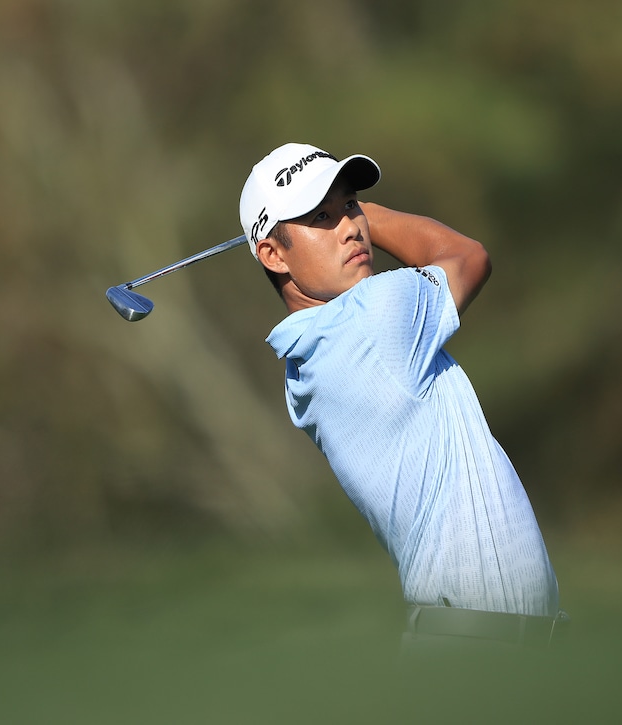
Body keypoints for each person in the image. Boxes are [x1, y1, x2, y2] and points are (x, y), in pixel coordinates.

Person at [239, 142, 567, 653]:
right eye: (321, 216)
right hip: (485, 655)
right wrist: (372, 212)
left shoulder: (307, 361)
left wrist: (337, 215)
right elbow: (467, 255)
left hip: (479, 647)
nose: (350, 226)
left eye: (349, 205)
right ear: (273, 254)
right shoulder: (372, 318)